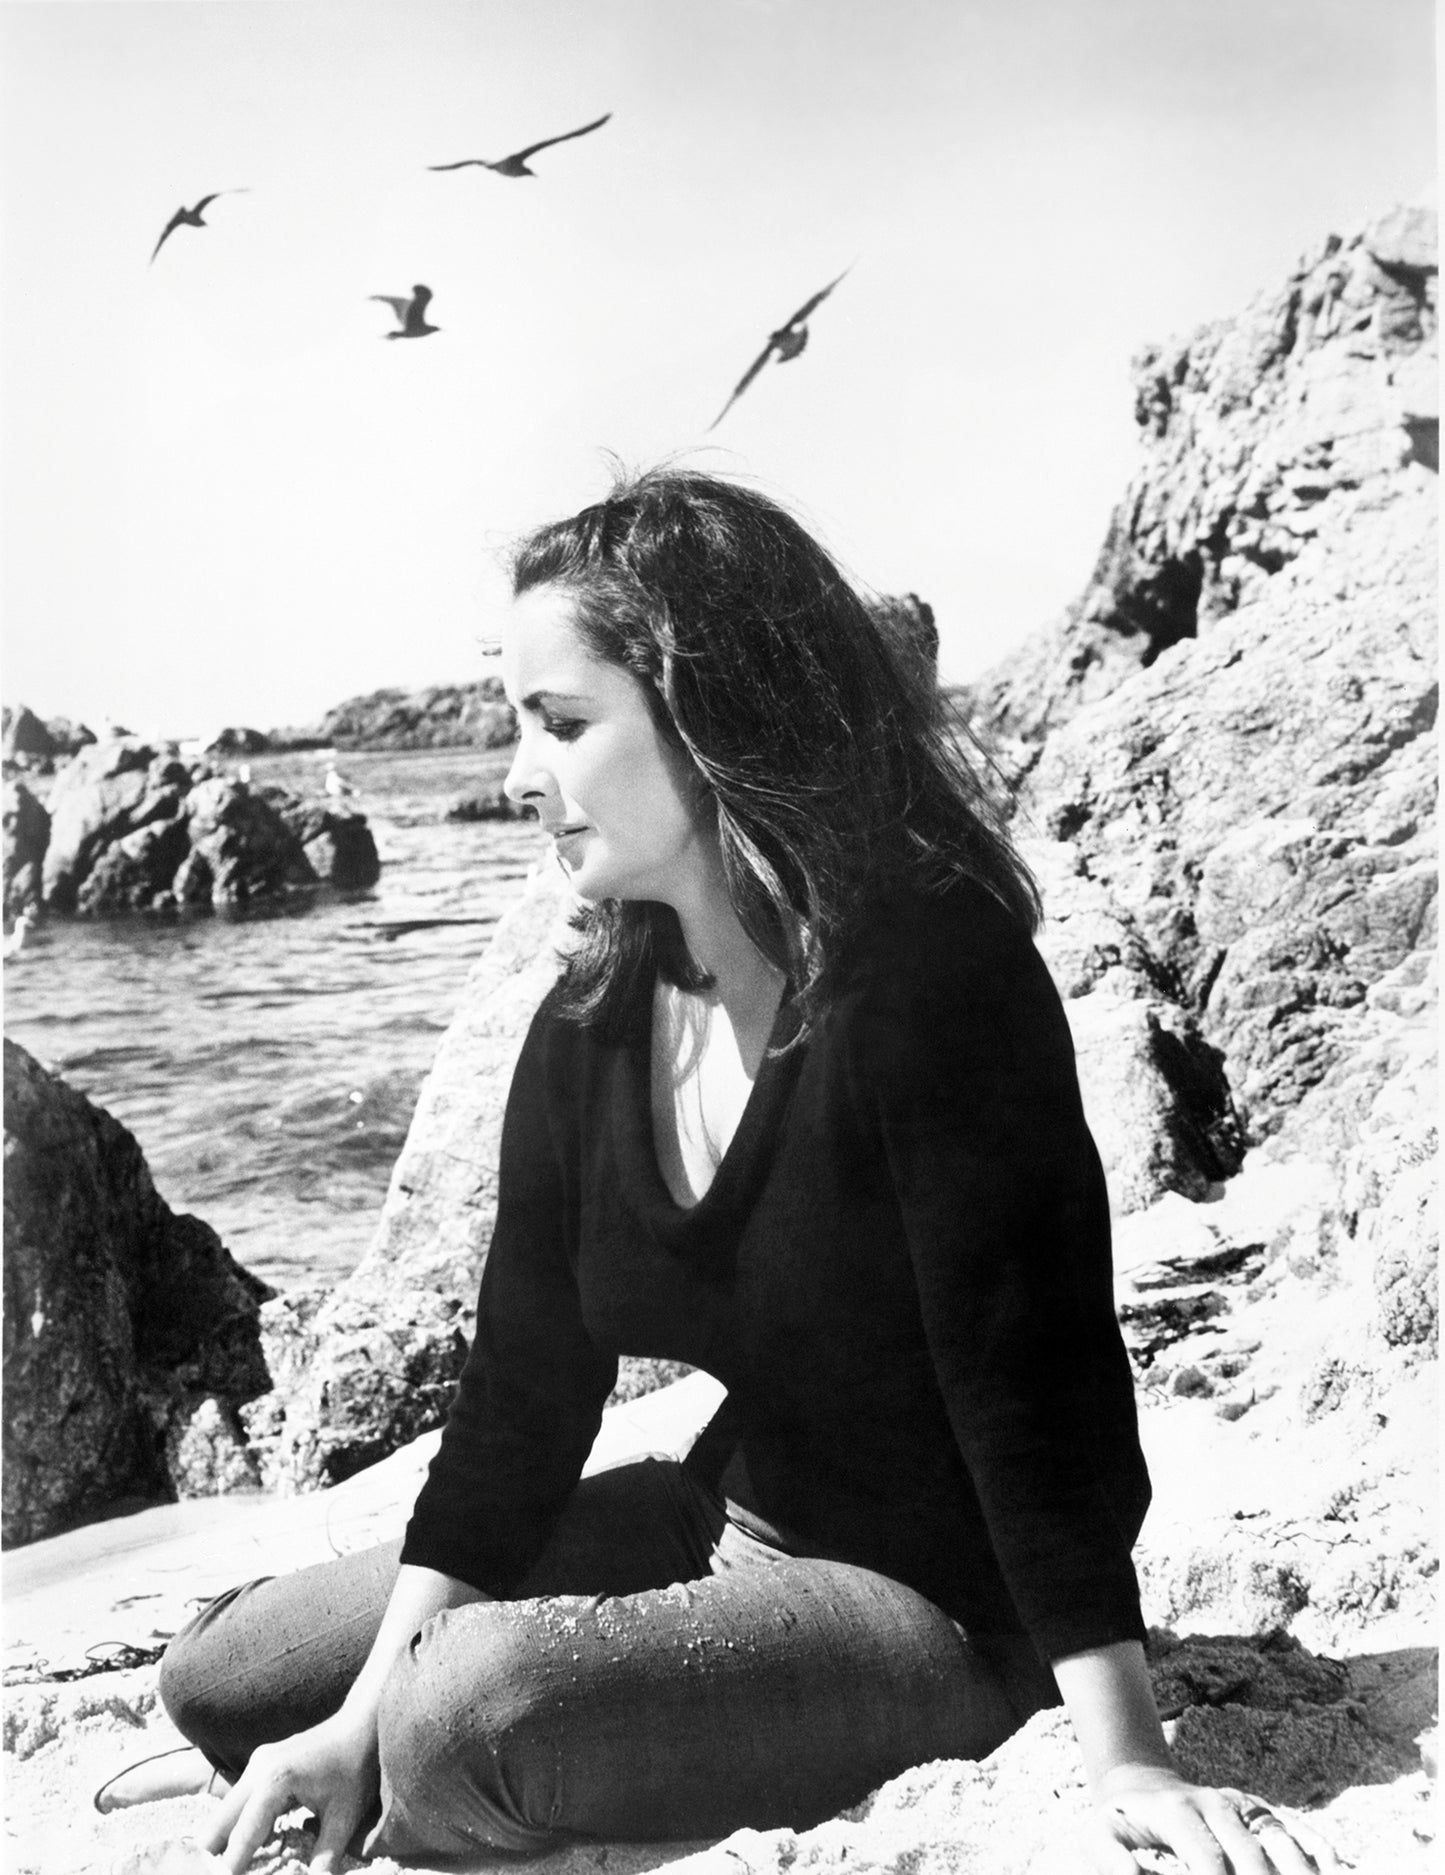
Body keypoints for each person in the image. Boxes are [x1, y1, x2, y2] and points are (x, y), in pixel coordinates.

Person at [157, 469, 1336, 1875]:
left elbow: (1034, 1383)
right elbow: (521, 1402)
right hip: (720, 1513)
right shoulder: (593, 1021)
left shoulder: (930, 977)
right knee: (226, 1679)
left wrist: (1129, 1752)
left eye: (561, 724)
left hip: (946, 1601)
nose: (518, 777)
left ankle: (464, 1748)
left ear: (710, 709)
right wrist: (351, 1718)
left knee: (461, 1719)